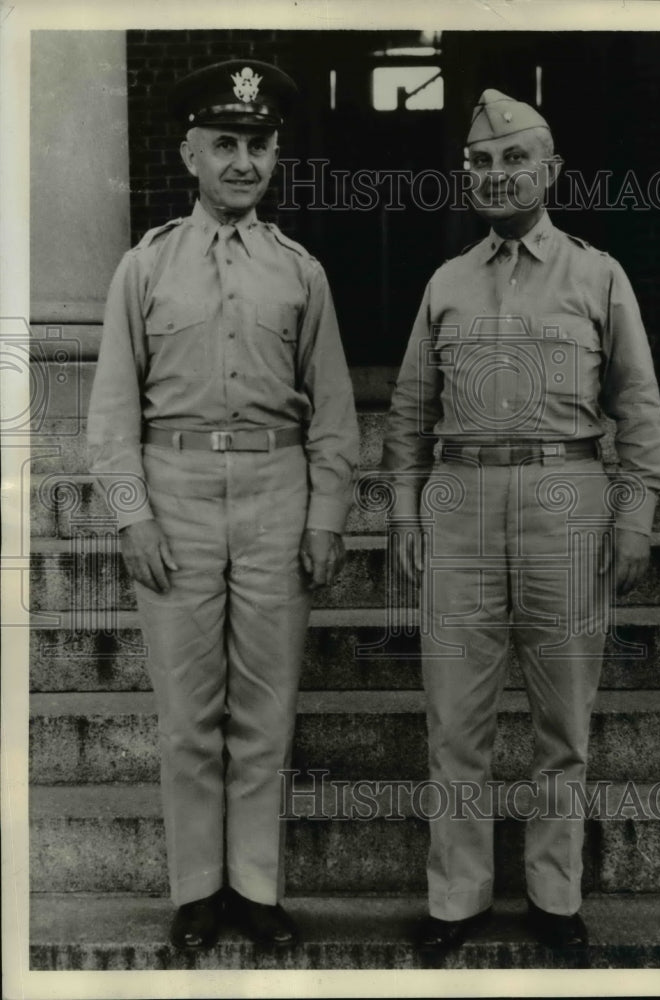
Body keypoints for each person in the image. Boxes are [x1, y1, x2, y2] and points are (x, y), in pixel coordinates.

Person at [381, 89, 660, 955]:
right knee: (454, 720)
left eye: (516, 160)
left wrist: (637, 515)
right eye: (483, 162)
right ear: (467, 176)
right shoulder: (446, 283)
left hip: (568, 502)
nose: (499, 174)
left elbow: (639, 404)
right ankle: (457, 899)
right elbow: (407, 410)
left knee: (562, 722)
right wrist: (402, 510)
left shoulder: (598, 275)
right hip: (461, 506)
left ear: (550, 172)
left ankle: (554, 896)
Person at [87, 59, 359, 951]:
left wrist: (324, 518)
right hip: (177, 497)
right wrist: (132, 515)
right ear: (190, 155)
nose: (243, 162)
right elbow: (112, 413)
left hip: (279, 498)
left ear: (274, 156)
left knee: (265, 706)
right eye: (226, 145)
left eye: (259, 145)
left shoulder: (300, 273)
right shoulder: (145, 266)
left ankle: (256, 886)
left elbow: (333, 412)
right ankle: (198, 889)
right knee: (188, 712)